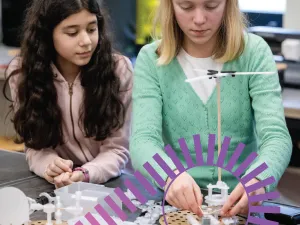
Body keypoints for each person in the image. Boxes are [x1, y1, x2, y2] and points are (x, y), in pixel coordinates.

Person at [130, 0, 292, 217]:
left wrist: (258, 180)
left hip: (243, 203)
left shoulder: (255, 52)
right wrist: (170, 176)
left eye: (211, 6)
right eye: (186, 7)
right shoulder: (151, 59)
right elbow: (143, 140)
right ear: (170, 6)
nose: (199, 19)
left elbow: (276, 137)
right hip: (174, 204)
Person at [4, 0, 133, 188]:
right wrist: (50, 166)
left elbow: (118, 149)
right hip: (57, 185)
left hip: (111, 183)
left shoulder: (119, 70)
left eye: (91, 29)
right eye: (72, 33)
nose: (86, 42)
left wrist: (86, 174)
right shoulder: (23, 73)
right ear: (48, 34)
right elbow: (35, 147)